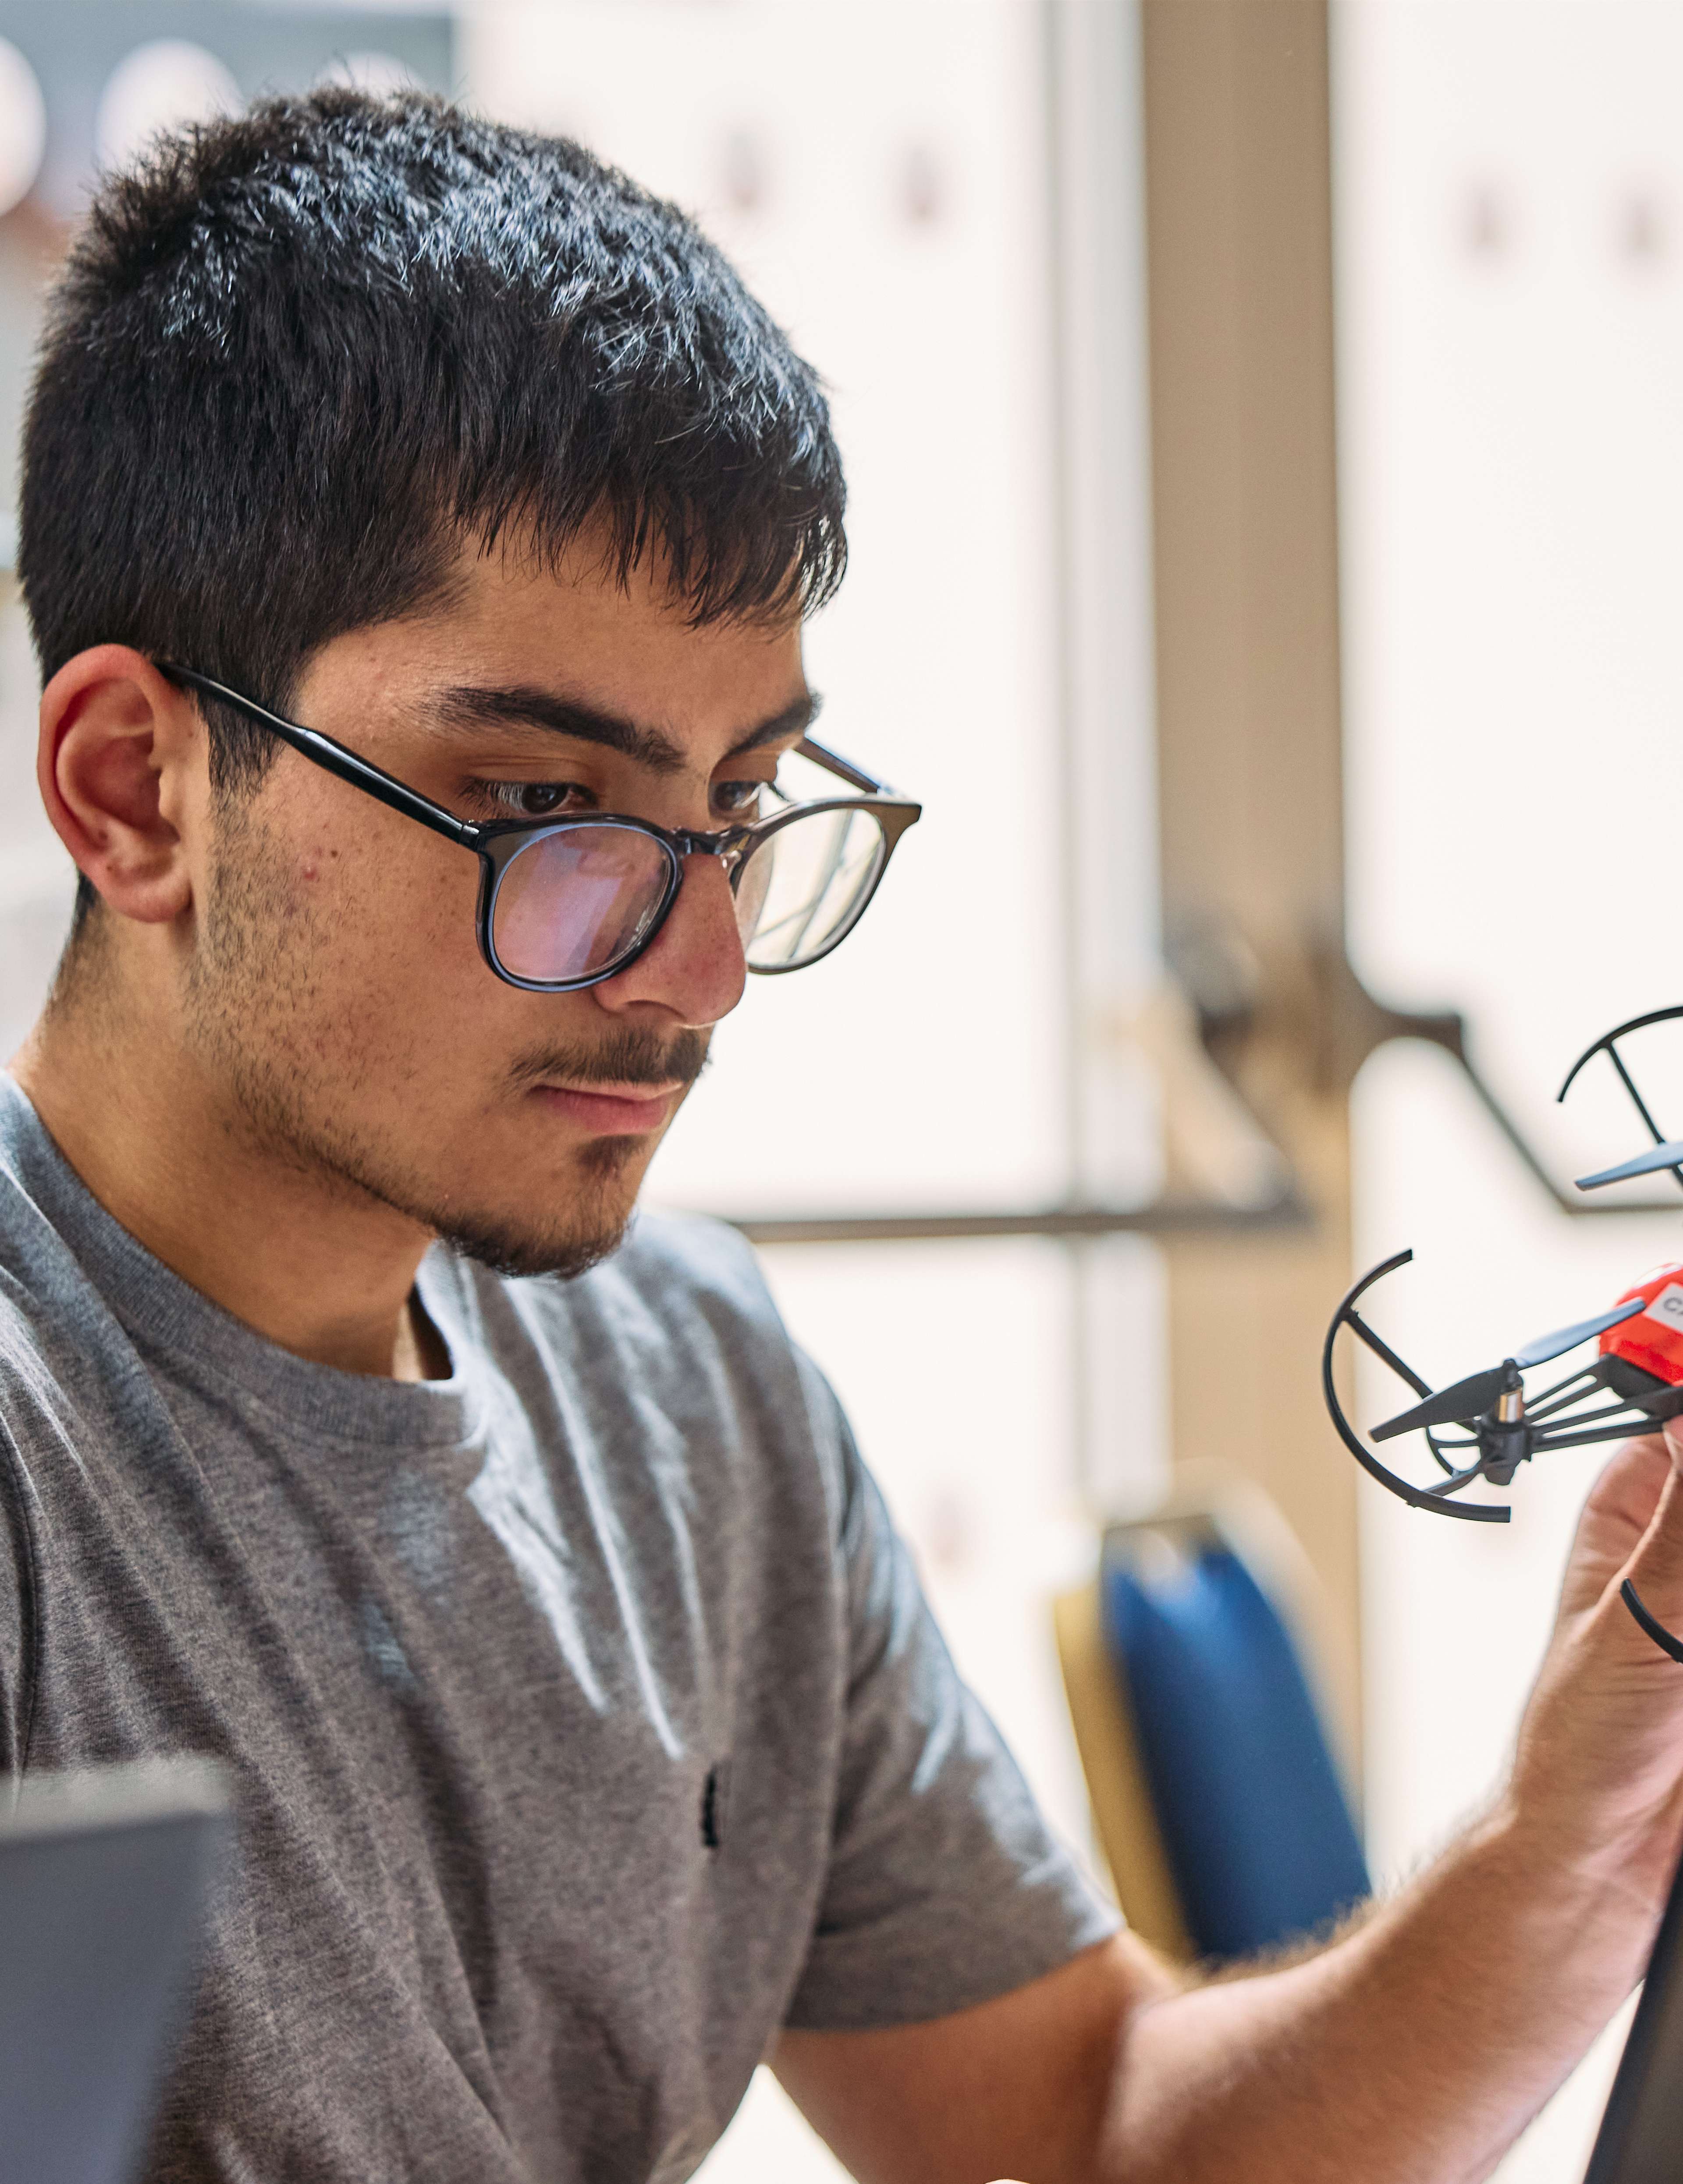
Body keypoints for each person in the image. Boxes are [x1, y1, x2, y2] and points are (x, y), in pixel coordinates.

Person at [4, 85, 1683, 2184]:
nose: (699, 967)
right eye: (544, 810)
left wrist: (1584, 1838)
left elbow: (1089, 2126)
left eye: (734, 814)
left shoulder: (695, 1390)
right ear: (135, 789)